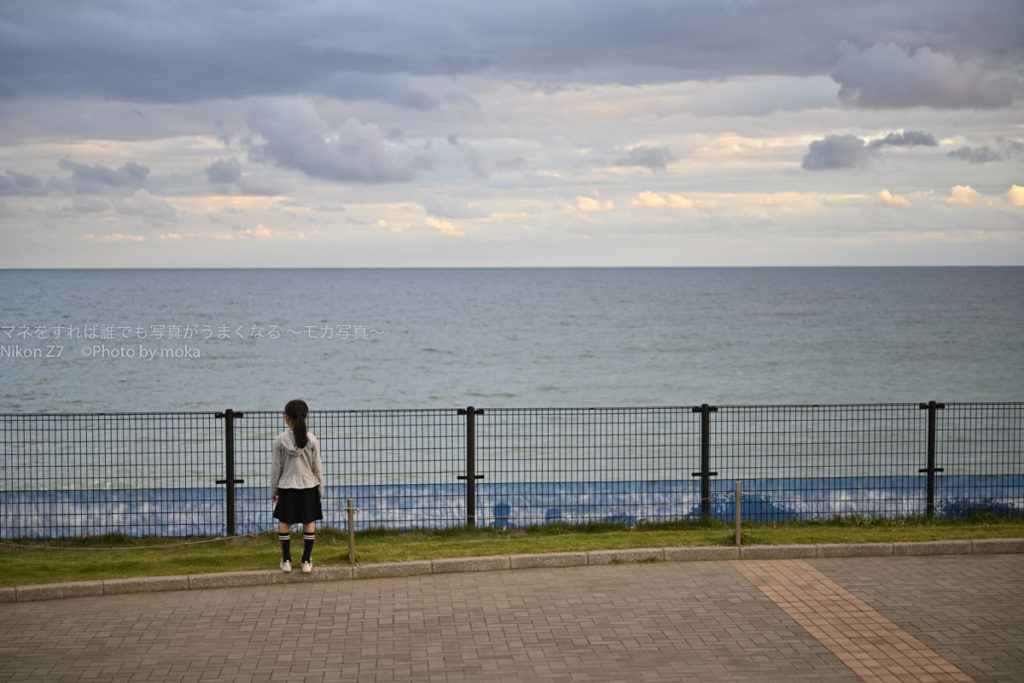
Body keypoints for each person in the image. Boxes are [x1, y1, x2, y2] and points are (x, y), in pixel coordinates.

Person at [271, 399, 323, 573]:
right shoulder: (312, 439)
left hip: (287, 487)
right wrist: (320, 489)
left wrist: (273, 490)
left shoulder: (280, 440)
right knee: (309, 522)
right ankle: (306, 560)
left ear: (287, 418)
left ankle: (286, 560)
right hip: (309, 486)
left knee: (284, 522)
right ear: (305, 416)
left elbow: (276, 468)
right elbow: (317, 467)